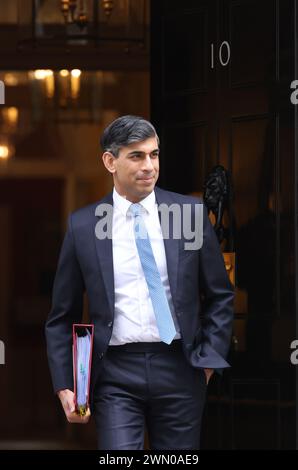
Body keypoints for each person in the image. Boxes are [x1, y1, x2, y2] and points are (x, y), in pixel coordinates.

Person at [45, 115, 234, 450]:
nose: (149, 165)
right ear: (110, 161)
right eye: (137, 156)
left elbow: (220, 294)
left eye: (154, 154)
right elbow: (63, 315)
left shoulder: (190, 214)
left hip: (181, 367)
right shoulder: (83, 226)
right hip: (115, 373)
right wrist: (67, 384)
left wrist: (207, 362)